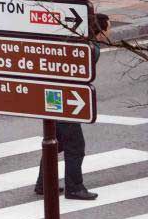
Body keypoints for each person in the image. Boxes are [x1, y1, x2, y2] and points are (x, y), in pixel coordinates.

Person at [34, 12, 110, 200]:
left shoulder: (74, 42)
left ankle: (44, 183)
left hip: (52, 96)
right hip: (66, 101)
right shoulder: (91, 49)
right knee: (75, 145)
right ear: (101, 30)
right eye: (109, 26)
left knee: (56, 142)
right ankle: (74, 188)